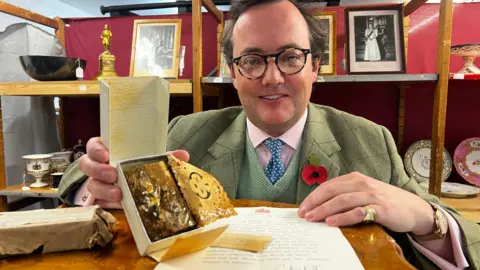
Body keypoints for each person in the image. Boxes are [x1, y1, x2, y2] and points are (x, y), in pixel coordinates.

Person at [58, 0, 480, 269]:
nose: (272, 77)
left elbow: (465, 241)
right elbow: (76, 183)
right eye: (253, 60)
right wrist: (95, 186)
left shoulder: (371, 142)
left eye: (291, 57)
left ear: (317, 67)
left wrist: (427, 218)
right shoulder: (185, 133)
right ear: (233, 72)